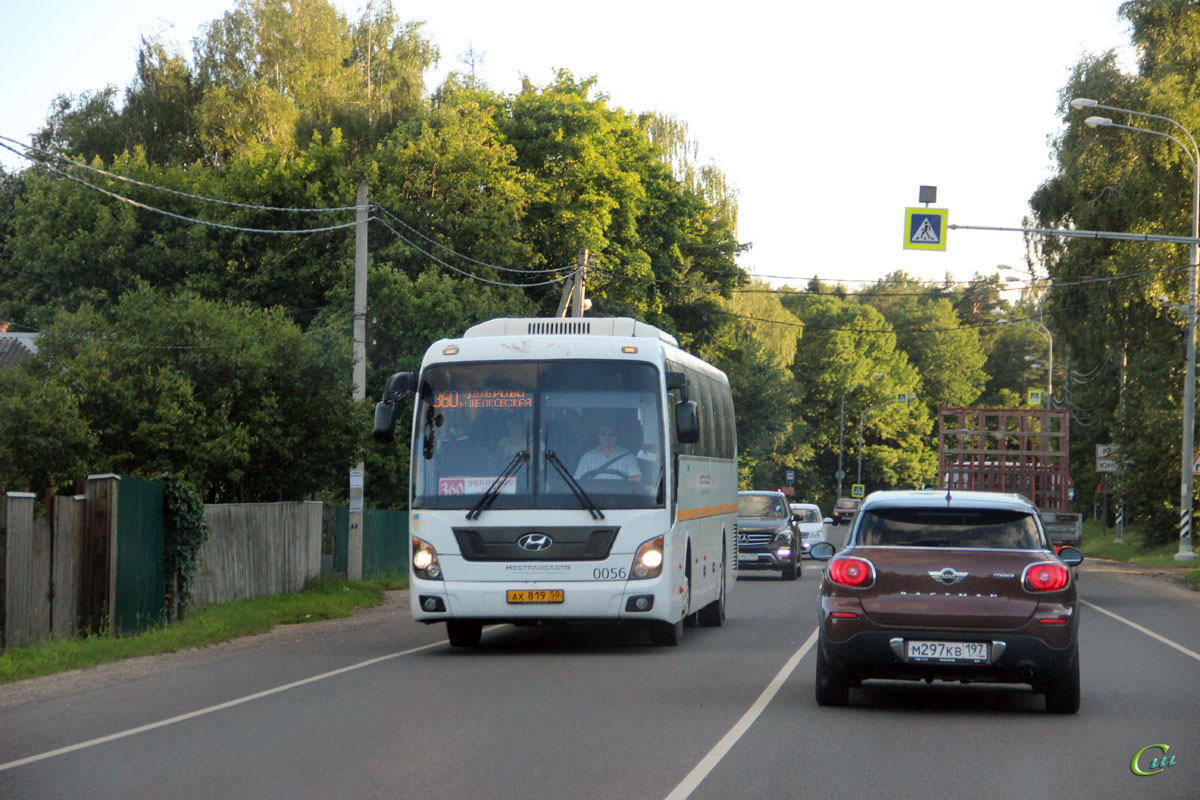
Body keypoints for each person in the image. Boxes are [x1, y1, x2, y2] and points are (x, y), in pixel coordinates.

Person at [574, 424, 642, 481]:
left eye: (611, 434)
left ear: (617, 437)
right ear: (599, 436)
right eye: (604, 434)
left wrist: (627, 480)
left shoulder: (628, 456)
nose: (607, 437)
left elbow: (637, 478)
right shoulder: (587, 457)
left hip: (621, 496)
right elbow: (578, 481)